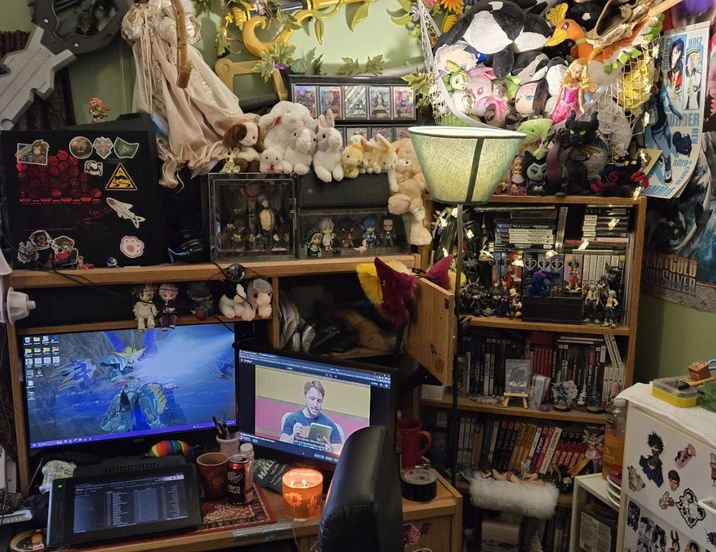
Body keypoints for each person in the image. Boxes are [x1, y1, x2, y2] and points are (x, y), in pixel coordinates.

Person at [280, 380, 342, 453]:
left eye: (319, 401)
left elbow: (339, 452)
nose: (315, 404)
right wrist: (293, 436)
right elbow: (281, 445)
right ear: (305, 398)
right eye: (312, 399)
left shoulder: (330, 425)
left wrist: (330, 451)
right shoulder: (292, 418)